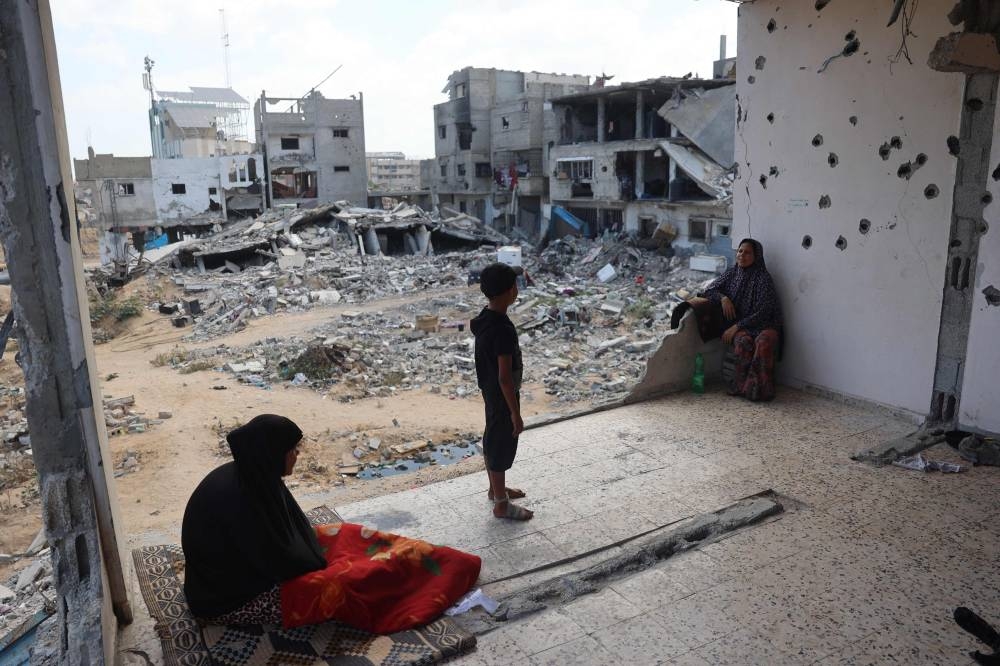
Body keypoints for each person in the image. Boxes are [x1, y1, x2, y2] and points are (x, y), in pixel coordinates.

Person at [182, 414, 481, 633]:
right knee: (339, 585)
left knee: (347, 534)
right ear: (272, 454)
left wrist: (313, 554)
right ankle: (430, 579)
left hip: (251, 569)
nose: (296, 455)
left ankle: (433, 560)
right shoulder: (240, 500)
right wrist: (319, 566)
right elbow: (275, 564)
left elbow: (287, 530)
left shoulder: (253, 474)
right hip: (229, 598)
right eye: (292, 450)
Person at [471, 263, 533, 521]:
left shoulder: (484, 318)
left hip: (489, 392)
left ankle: (495, 489)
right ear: (509, 292)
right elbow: (505, 377)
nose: (516, 290)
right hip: (501, 396)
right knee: (501, 444)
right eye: (515, 285)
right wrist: (515, 414)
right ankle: (501, 504)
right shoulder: (503, 330)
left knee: (492, 439)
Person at [689, 238, 783, 401]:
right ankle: (741, 386)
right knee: (743, 342)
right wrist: (723, 298)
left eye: (747, 253)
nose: (742, 255)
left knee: (763, 342)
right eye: (740, 251)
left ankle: (759, 390)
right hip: (744, 327)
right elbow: (709, 290)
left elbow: (764, 312)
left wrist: (736, 327)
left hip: (765, 324)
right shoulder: (733, 273)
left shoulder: (763, 279)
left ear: (757, 256)